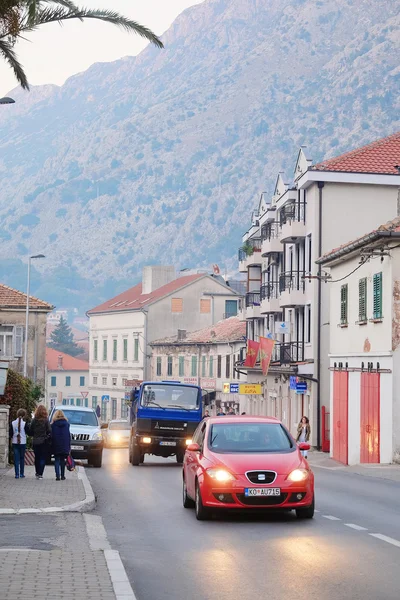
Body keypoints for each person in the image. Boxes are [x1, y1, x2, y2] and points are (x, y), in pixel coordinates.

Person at [30, 405, 51, 479]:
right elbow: (49, 430)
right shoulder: (46, 420)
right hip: (44, 441)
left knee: (37, 458)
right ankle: (40, 474)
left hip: (35, 441)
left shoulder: (34, 420)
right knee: (42, 458)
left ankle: (37, 472)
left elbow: (31, 430)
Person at [51, 409, 71, 481]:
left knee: (56, 460)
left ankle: (57, 476)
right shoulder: (67, 424)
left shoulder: (53, 425)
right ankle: (63, 476)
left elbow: (51, 435)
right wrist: (69, 446)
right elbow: (68, 436)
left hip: (56, 444)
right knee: (63, 460)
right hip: (64, 445)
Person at [9, 409, 28, 479]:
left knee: (16, 459)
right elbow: (28, 432)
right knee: (22, 458)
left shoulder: (13, 423)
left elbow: (10, 433)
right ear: (24, 415)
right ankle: (22, 473)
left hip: (15, 442)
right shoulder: (25, 424)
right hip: (22, 442)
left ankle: (16, 474)